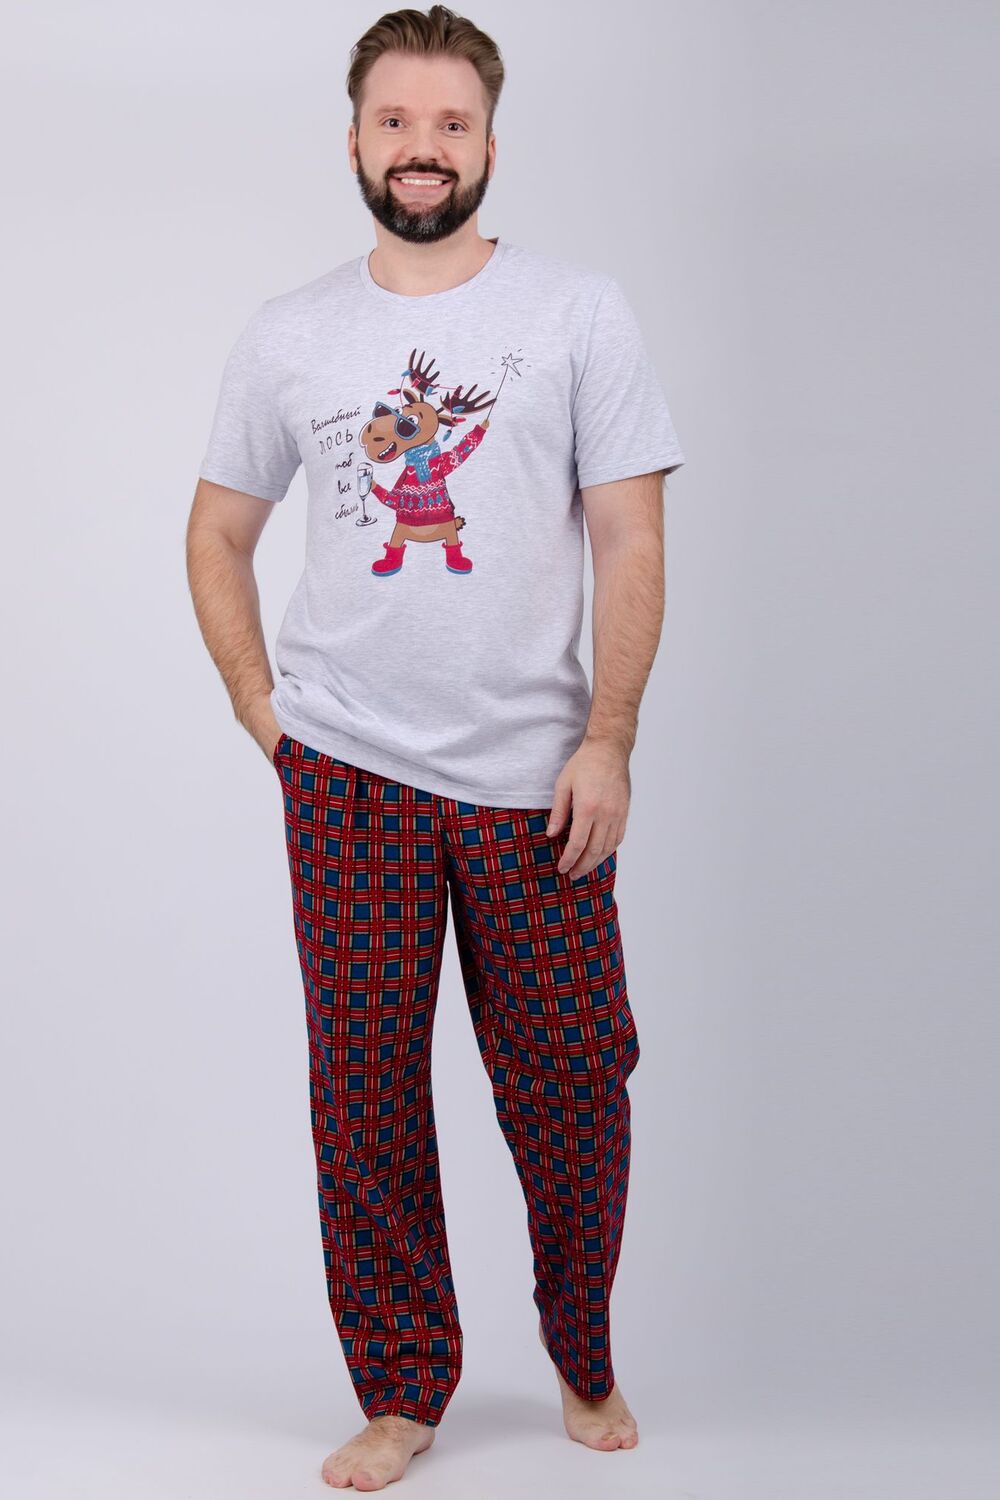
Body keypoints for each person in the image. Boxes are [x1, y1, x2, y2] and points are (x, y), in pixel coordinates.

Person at [186, 4, 684, 1489]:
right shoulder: (290, 333)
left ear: (489, 145)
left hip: (539, 781)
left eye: (450, 123)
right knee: (366, 1097)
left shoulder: (578, 313)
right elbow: (216, 531)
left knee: (576, 1083)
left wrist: (609, 738)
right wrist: (264, 712)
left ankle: (582, 1350)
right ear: (354, 140)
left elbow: (630, 535)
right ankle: (403, 1388)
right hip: (346, 774)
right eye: (396, 122)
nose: (423, 147)